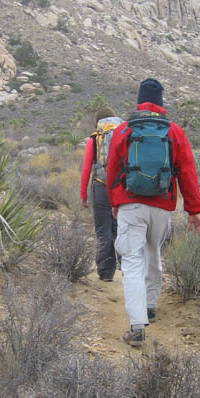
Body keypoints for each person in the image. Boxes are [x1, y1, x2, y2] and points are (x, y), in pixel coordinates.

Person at [106, 78, 200, 346]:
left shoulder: (124, 130)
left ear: (139, 100)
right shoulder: (174, 132)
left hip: (131, 205)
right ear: (161, 102)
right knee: (154, 253)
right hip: (161, 206)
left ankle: (137, 325)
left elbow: (112, 170)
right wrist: (193, 210)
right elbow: (187, 171)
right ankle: (150, 305)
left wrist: (115, 202)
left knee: (132, 262)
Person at [80, 106, 122, 281]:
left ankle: (106, 272)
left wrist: (83, 194)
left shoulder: (95, 139)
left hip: (101, 187)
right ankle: (128, 269)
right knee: (119, 229)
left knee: (103, 229)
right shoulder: (123, 135)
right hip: (121, 189)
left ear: (98, 122)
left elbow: (86, 169)